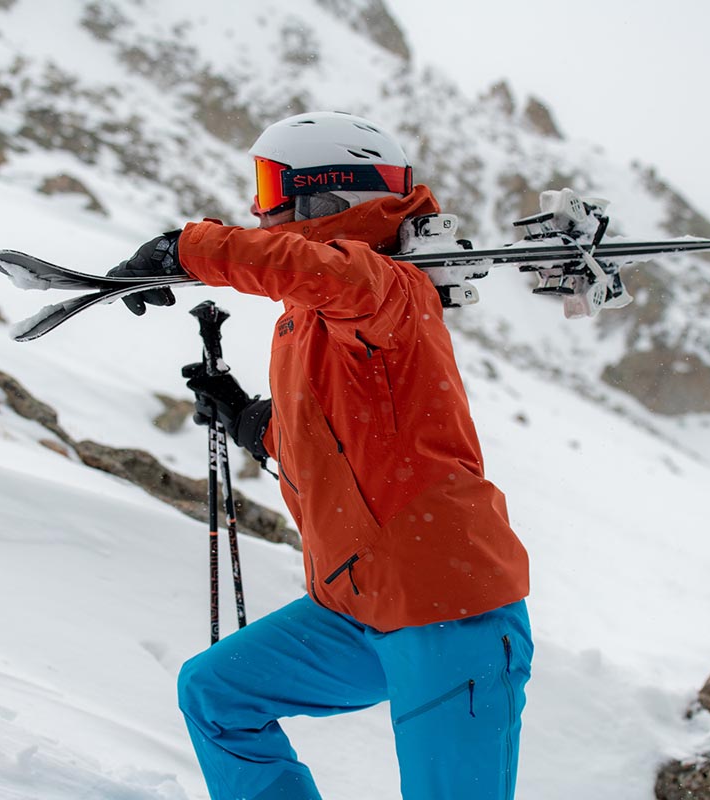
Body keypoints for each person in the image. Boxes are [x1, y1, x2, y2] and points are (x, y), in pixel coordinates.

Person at [110, 111, 532, 800]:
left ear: (330, 195)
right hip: (355, 610)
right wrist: (248, 419)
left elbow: (330, 274)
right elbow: (340, 440)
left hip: (448, 612)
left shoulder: (388, 291)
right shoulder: (308, 316)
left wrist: (188, 249)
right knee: (217, 695)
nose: (259, 206)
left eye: (274, 186)